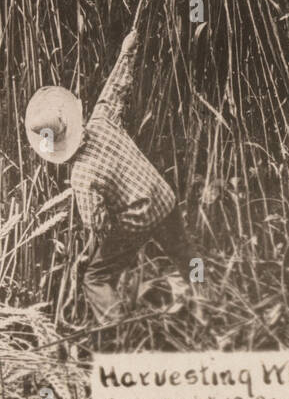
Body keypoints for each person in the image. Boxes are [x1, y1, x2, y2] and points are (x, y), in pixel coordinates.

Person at [24, 31, 196, 323]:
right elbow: (116, 87)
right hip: (164, 197)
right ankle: (207, 299)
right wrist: (128, 47)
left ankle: (119, 331)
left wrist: (89, 255)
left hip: (137, 220)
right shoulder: (102, 121)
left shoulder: (81, 175)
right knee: (185, 254)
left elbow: (99, 226)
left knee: (95, 277)